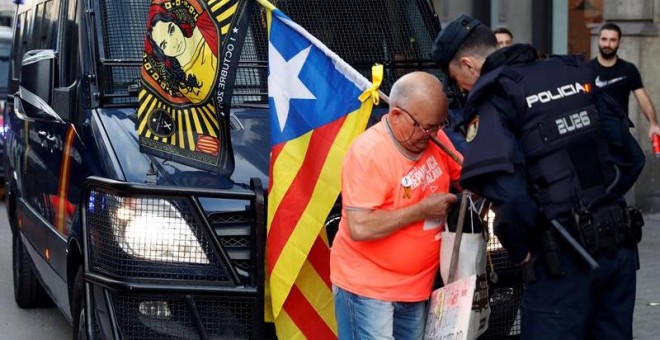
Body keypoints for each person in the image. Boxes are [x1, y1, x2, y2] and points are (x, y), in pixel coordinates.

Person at [431, 15, 645, 339]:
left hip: (562, 261)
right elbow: (631, 158)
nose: (460, 88)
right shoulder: (571, 71)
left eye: (455, 77)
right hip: (619, 248)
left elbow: (511, 196)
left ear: (468, 65)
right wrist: (598, 203)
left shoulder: (496, 98)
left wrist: (520, 249)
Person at [330, 71, 461, 339]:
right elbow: (360, 227)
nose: (431, 134)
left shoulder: (434, 137)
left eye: (438, 125)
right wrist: (421, 210)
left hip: (416, 287)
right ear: (397, 115)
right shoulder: (369, 154)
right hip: (369, 288)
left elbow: (465, 175)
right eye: (425, 127)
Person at [587, 22, 660, 140]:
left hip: (620, 133)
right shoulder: (588, 69)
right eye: (604, 39)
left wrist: (653, 123)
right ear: (599, 40)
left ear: (619, 43)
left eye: (612, 40)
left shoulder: (628, 69)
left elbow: (642, 98)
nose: (607, 44)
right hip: (594, 133)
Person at [144, 1, 219, 104]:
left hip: (235, 103)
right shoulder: (175, 80)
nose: (174, 42)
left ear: (177, 24)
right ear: (161, 52)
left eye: (171, 30)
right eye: (165, 44)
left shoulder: (205, 31)